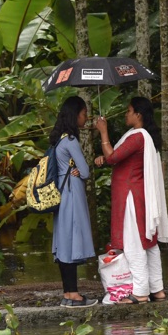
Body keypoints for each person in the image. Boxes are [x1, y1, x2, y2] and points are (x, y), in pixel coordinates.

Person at [94, 96, 168, 304]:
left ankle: (141, 292)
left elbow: (113, 157)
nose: (126, 114)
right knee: (149, 243)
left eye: (128, 111)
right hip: (138, 195)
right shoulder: (140, 136)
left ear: (138, 115)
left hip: (131, 197)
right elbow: (115, 157)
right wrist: (106, 157)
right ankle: (157, 289)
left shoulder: (137, 137)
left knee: (134, 243)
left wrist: (103, 131)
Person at [50, 96, 98, 308]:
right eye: (84, 113)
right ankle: (74, 295)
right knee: (71, 243)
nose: (85, 118)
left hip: (62, 194)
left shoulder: (59, 139)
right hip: (71, 194)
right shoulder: (70, 140)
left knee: (64, 243)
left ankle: (69, 293)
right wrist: (79, 170)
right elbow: (86, 171)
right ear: (75, 114)